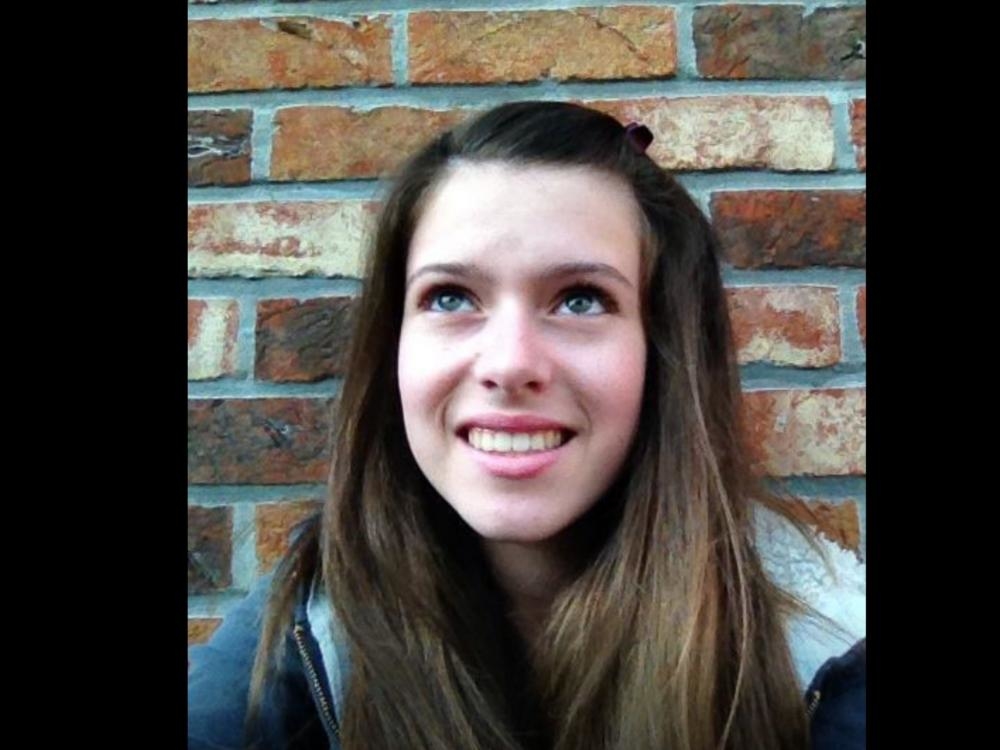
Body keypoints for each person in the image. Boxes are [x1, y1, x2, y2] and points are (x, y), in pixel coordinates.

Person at [188, 101, 865, 750]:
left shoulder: (824, 655)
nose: (510, 364)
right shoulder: (314, 616)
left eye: (581, 300)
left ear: (665, 352)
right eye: (450, 297)